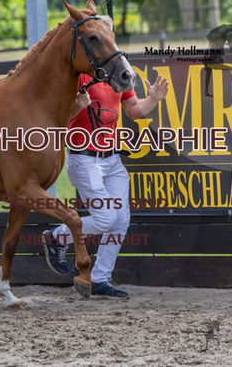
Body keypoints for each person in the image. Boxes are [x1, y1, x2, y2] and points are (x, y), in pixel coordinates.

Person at [42, 72, 169, 298]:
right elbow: (57, 119)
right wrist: (77, 105)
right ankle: (57, 237)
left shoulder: (118, 75)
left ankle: (100, 279)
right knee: (106, 219)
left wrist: (153, 99)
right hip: (84, 159)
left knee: (120, 220)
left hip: (112, 160)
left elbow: (133, 109)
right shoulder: (78, 76)